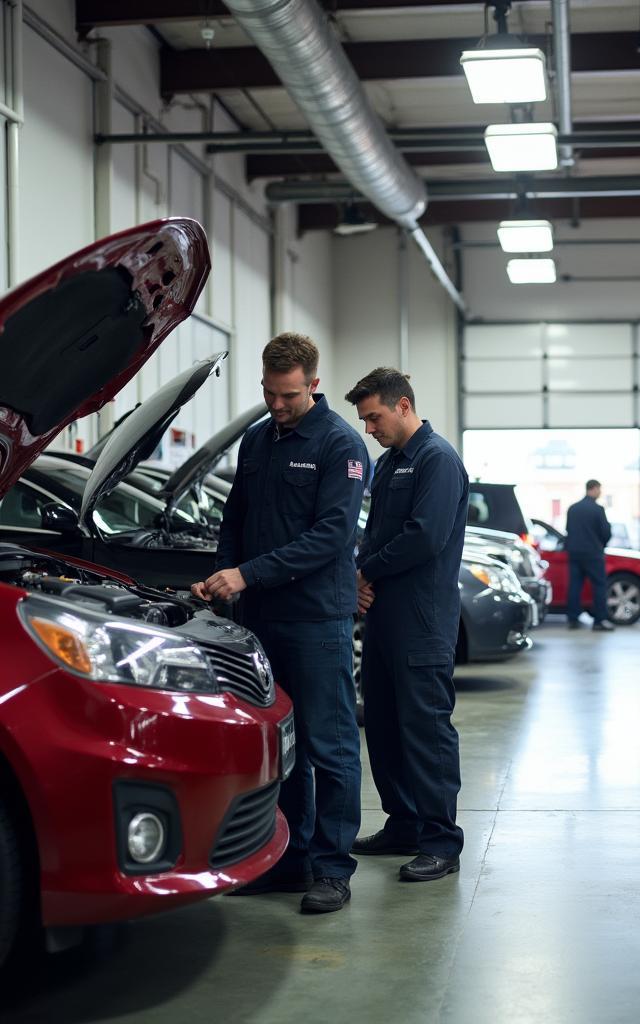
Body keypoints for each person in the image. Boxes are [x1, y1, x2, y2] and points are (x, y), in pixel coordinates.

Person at [191, 333, 367, 914]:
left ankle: (333, 870)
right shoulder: (257, 440)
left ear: (313, 385)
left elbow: (330, 537)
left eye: (288, 395)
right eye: (268, 392)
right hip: (261, 618)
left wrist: (249, 574)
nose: (277, 405)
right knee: (282, 744)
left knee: (330, 745)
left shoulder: (340, 445)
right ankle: (290, 861)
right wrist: (222, 575)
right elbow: (234, 517)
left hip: (316, 620)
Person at [344, 367, 468, 883]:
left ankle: (440, 841)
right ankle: (404, 824)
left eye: (374, 418)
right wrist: (358, 576)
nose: (369, 429)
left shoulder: (436, 461)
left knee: (426, 730)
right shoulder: (392, 461)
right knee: (388, 728)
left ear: (403, 406)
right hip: (384, 619)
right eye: (364, 420)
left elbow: (424, 537)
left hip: (421, 620)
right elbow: (374, 533)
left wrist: (366, 571)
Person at [565, 479, 615, 632]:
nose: (600, 492)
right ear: (593, 489)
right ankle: (599, 621)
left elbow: (568, 530)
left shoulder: (572, 509)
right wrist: (601, 544)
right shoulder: (597, 509)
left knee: (575, 585)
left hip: (574, 553)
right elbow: (606, 532)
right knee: (599, 586)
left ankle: (573, 619)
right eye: (599, 489)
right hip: (593, 553)